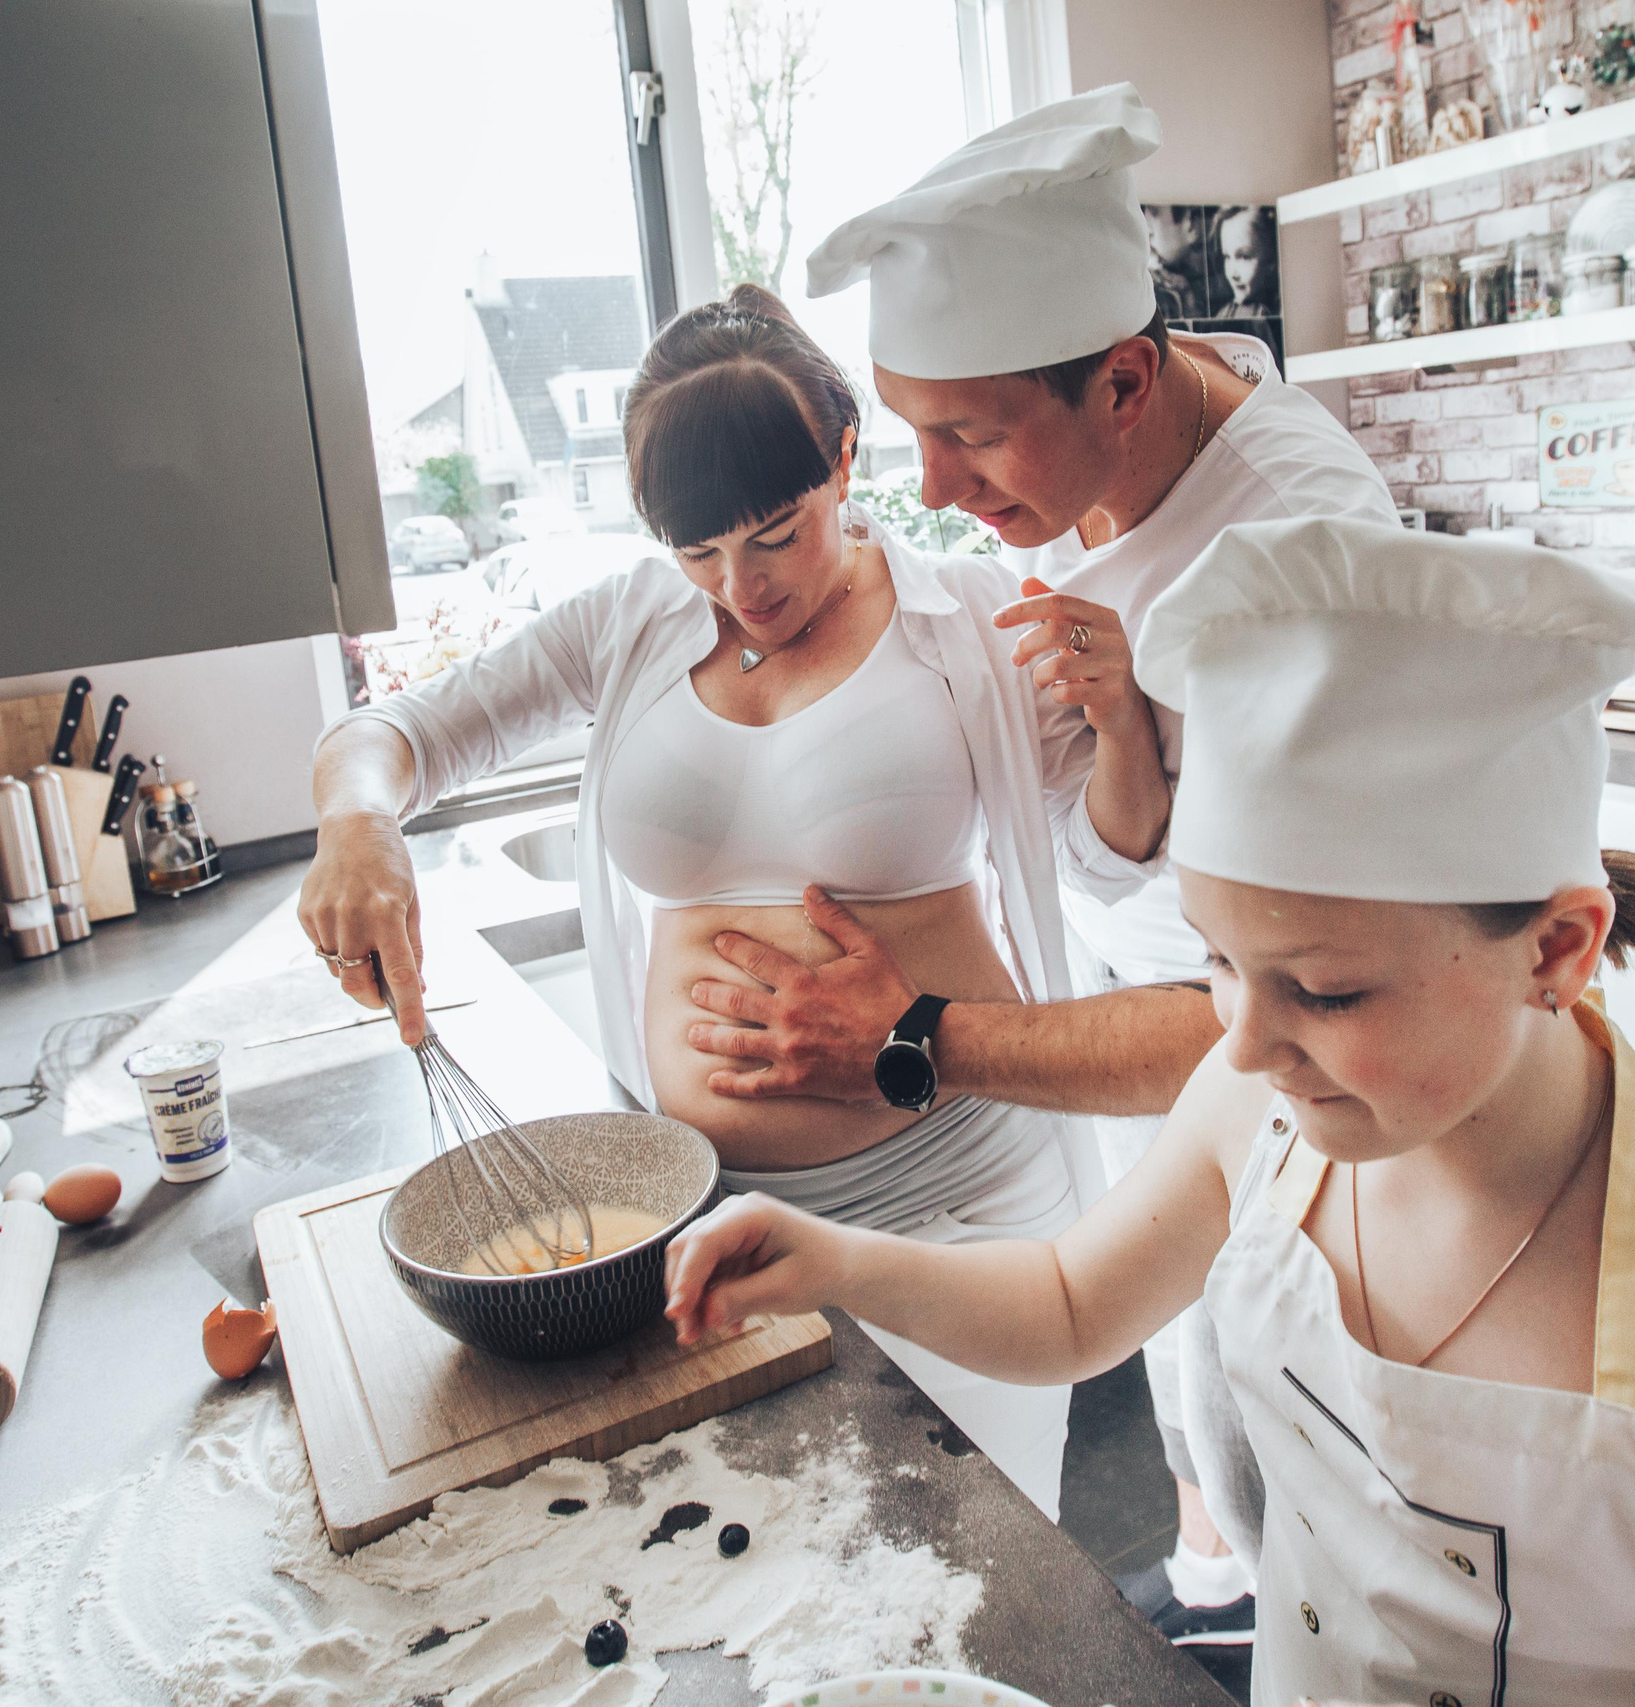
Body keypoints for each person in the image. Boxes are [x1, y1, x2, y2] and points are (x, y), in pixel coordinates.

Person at [663, 517, 1635, 1707]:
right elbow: (1076, 1303)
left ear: (1556, 948)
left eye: (1324, 988)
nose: (1243, 1040)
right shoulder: (1257, 1104)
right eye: (1216, 961)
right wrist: (838, 1264)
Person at [682, 83, 1400, 1645]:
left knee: (1342, 1548)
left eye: (967, 434)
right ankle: (1214, 1584)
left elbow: (1299, 1027)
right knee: (1214, 1461)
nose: (931, 489)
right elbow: (1107, 849)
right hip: (1162, 1105)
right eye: (910, 426)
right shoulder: (1075, 485)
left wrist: (915, 1033)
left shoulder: (1301, 567)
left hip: (1308, 1147)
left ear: (1129, 379)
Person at [295, 285, 1171, 1517]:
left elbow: (1107, 862)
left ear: (844, 459)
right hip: (705, 1220)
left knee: (956, 1558)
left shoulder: (968, 619)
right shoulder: (632, 623)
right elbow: (388, 736)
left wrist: (1122, 722)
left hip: (959, 1204)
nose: (740, 586)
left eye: (775, 533)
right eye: (698, 550)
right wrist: (359, 828)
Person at [1212, 205, 1278, 320]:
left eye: (1244, 257)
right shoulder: (1225, 315)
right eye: (1227, 257)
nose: (1232, 274)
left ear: (1271, 259)